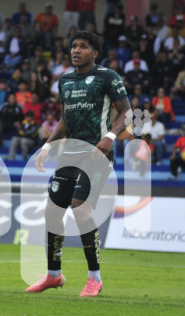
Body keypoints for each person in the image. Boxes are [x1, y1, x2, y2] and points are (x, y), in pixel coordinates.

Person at [30, 31, 130, 297]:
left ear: (95, 53)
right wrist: (47, 146)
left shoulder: (107, 77)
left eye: (83, 46)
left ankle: (94, 279)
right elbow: (65, 119)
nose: (76, 50)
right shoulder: (65, 80)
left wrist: (110, 136)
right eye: (74, 46)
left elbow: (128, 112)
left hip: (97, 153)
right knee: (52, 213)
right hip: (69, 154)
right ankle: (53, 275)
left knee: (80, 208)